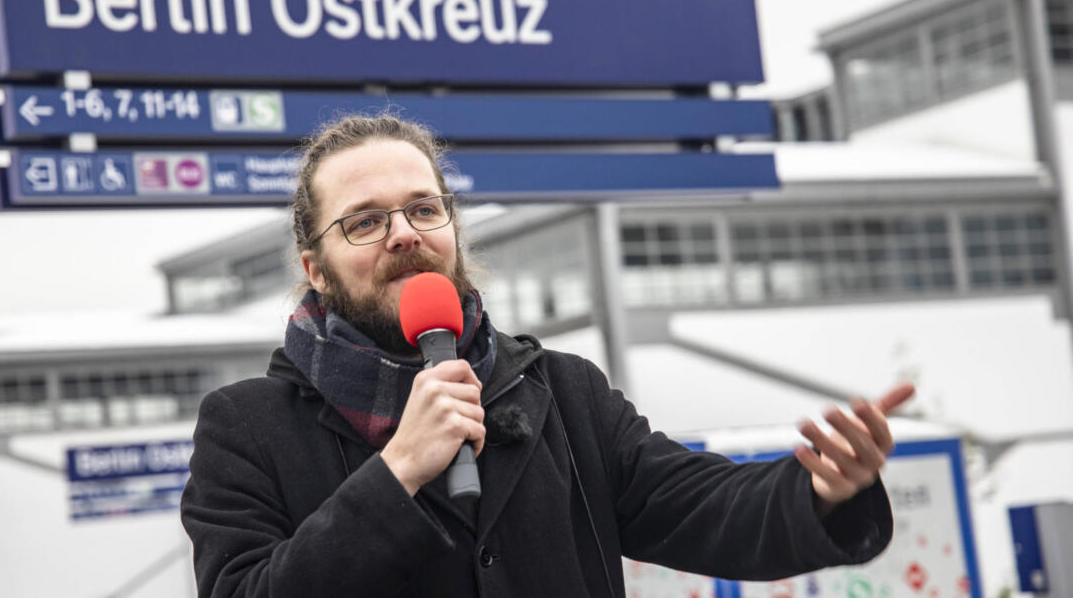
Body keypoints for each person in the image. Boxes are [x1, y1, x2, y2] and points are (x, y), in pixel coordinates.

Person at [180, 114, 915, 597]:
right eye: (365, 221)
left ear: (452, 229)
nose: (403, 232)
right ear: (315, 267)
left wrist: (823, 491)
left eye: (423, 208)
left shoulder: (561, 393)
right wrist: (398, 471)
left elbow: (705, 505)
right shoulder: (245, 428)